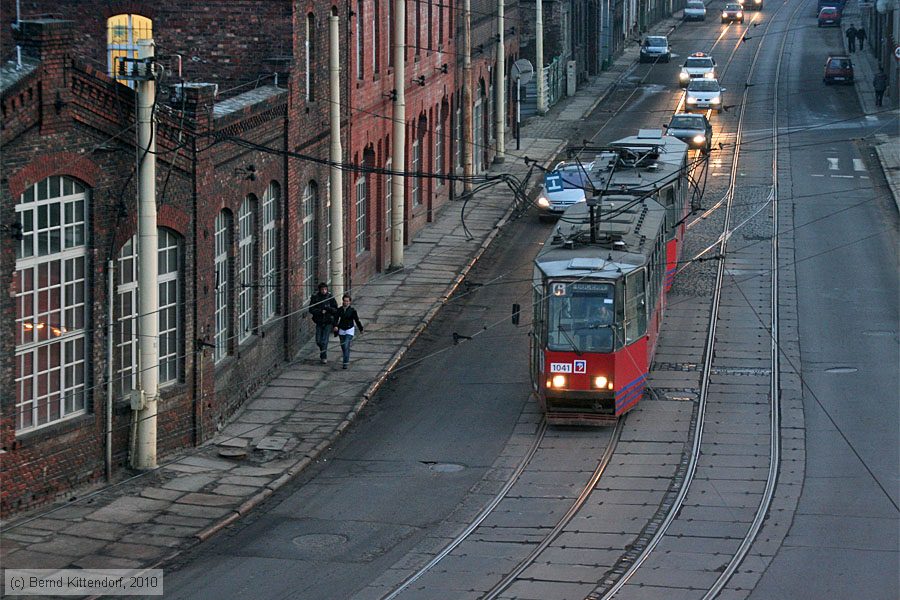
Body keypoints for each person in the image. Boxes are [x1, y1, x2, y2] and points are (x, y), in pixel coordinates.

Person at [333, 293, 364, 369]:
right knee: (343, 346)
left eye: (347, 301)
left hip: (349, 329)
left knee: (346, 344)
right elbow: (335, 319)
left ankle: (345, 362)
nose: (345, 302)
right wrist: (335, 326)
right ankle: (346, 355)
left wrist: (361, 329)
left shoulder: (352, 311)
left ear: (350, 302)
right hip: (341, 330)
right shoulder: (339, 310)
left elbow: (357, 320)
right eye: (344, 301)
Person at [308, 282, 337, 364]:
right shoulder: (315, 298)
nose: (324, 291)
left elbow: (335, 310)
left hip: (328, 322)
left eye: (325, 289)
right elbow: (311, 309)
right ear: (319, 290)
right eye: (322, 289)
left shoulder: (330, 297)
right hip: (319, 322)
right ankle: (323, 350)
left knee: (324, 340)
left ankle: (323, 356)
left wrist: (328, 309)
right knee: (318, 340)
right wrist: (320, 311)